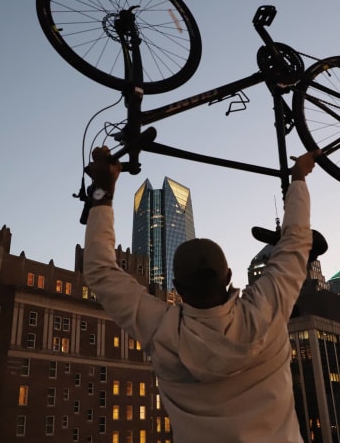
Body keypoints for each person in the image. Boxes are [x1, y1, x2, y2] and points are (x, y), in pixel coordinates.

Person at [82, 146, 320, 443]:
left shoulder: (163, 331)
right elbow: (296, 240)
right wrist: (298, 177)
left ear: (177, 287)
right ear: (229, 277)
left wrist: (103, 191)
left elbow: (98, 271)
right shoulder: (265, 313)